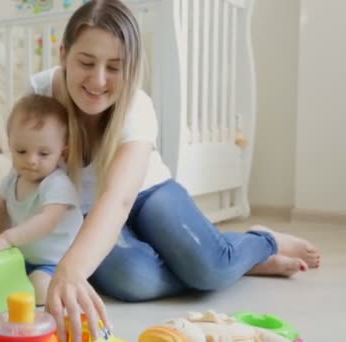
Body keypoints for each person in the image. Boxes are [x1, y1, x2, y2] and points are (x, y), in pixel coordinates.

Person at [26, 1, 322, 341]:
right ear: (63, 54)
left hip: (148, 193)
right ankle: (228, 262)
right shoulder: (40, 96)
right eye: (86, 63)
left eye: (115, 67)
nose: (99, 80)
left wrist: (72, 270)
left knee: (210, 268)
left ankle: (259, 244)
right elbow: (27, 175)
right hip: (89, 212)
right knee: (132, 278)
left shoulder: (137, 107)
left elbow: (119, 197)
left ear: (132, 67)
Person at [0, 94, 83, 306]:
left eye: (44, 153)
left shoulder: (57, 184)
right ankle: (15, 286)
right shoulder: (14, 176)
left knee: (40, 290)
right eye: (21, 151)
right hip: (20, 257)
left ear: (62, 155)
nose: (31, 160)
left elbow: (46, 222)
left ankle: (56, 288)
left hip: (54, 263)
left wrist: (6, 239)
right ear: (10, 145)